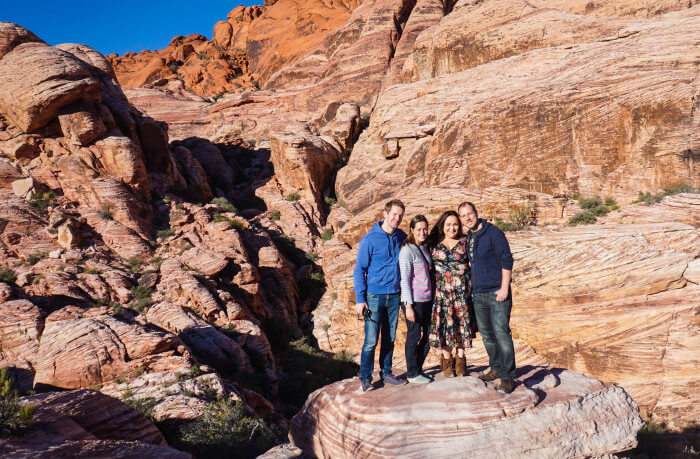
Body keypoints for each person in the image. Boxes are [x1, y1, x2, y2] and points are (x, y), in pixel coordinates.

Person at [458, 202, 516, 394]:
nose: (467, 218)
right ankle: (497, 368)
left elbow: (506, 259)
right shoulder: (470, 236)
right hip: (479, 294)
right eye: (464, 215)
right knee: (488, 335)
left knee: (501, 333)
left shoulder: (493, 233)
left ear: (476, 213)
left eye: (470, 213)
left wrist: (504, 288)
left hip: (496, 292)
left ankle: (508, 377)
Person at [353, 199, 408, 392]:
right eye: (394, 214)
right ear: (384, 214)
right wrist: (360, 299)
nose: (397, 218)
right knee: (371, 341)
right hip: (374, 296)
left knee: (390, 338)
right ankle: (366, 378)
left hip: (394, 296)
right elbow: (359, 270)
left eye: (400, 215)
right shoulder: (370, 239)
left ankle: (386, 374)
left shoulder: (402, 237)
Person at [428, 210, 472, 377]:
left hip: (461, 295)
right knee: (444, 327)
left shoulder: (465, 243)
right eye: (448, 225)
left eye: (455, 224)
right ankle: (446, 361)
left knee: (460, 327)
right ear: (442, 226)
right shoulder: (434, 243)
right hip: (442, 295)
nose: (452, 228)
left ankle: (460, 360)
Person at [398, 215, 433, 384]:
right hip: (414, 301)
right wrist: (409, 306)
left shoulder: (424, 249)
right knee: (414, 336)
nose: (422, 232)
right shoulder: (407, 250)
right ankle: (412, 373)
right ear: (412, 230)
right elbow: (404, 279)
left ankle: (417, 369)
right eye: (418, 229)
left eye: (425, 229)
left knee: (428, 335)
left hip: (427, 299)